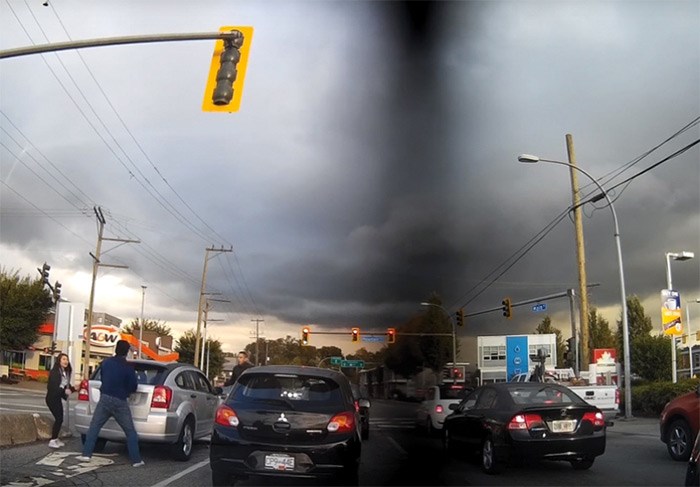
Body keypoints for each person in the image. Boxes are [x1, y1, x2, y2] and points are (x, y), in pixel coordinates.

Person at [77, 340, 144, 467]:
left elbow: (103, 377)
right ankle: (136, 460)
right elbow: (133, 386)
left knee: (94, 427)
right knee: (130, 431)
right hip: (120, 401)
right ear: (126, 352)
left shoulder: (106, 363)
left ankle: (86, 454)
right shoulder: (128, 367)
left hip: (105, 398)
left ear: (116, 349)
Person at [45, 353, 75, 449]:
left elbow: (67, 387)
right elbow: (53, 387)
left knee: (60, 418)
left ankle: (55, 438)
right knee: (59, 418)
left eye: (67, 359)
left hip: (57, 398)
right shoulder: (55, 372)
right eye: (64, 359)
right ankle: (53, 440)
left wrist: (75, 388)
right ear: (59, 360)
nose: (66, 361)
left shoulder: (64, 372)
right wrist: (64, 391)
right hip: (52, 398)